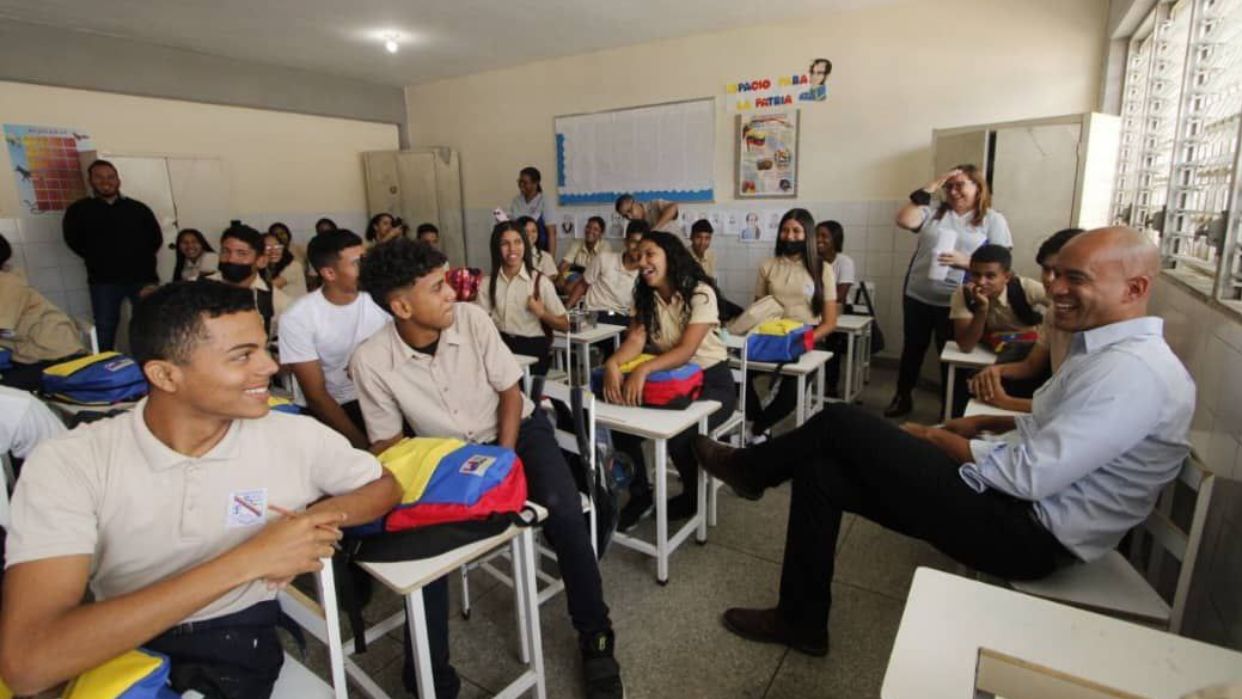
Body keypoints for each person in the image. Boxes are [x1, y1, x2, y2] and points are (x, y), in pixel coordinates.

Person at [691, 226, 1193, 658]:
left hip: (1028, 534)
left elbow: (1027, 476)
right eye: (1056, 274)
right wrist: (981, 425)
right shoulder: (1104, 354)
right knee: (820, 472)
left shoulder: (1133, 373)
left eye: (1075, 278)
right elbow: (1049, 427)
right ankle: (801, 620)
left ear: (1135, 287)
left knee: (842, 422)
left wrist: (934, 437)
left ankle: (751, 470)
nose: (1056, 287)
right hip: (1016, 507)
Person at [0, 280, 402, 697]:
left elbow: (383, 486)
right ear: (165, 375)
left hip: (235, 646)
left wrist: (306, 524)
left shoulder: (293, 436)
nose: (270, 366)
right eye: (242, 355)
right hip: (121, 644)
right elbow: (29, 664)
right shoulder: (72, 462)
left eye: (263, 349)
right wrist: (251, 559)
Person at [348, 238, 624, 699]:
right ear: (401, 306)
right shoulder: (370, 360)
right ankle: (431, 679)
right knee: (423, 551)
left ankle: (595, 635)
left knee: (563, 510)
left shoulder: (472, 320)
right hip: (448, 457)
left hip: (516, 432)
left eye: (446, 281)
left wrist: (505, 459)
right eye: (437, 287)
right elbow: (389, 444)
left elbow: (510, 393)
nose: (451, 293)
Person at [602, 230, 737, 529]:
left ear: (671, 257)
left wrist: (643, 370)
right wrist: (613, 363)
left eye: (650, 254)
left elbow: (687, 350)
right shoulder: (645, 295)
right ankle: (640, 495)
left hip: (712, 382)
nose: (642, 261)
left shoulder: (700, 293)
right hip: (670, 381)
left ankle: (693, 496)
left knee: (679, 436)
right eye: (640, 255)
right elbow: (636, 339)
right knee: (622, 426)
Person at [886, 165, 1012, 418]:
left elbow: (1002, 261)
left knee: (951, 353)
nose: (953, 192)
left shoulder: (992, 219)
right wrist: (931, 186)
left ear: (978, 187)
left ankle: (950, 407)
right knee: (913, 348)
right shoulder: (934, 212)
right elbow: (903, 220)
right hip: (918, 292)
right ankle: (902, 396)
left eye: (960, 185)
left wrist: (968, 262)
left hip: (958, 300)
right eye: (949, 186)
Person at [278, 229, 390, 449]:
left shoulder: (379, 298)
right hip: (337, 405)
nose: (367, 267)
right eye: (358, 263)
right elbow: (316, 396)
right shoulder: (298, 317)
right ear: (329, 273)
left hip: (381, 396)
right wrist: (363, 447)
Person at [745, 208, 839, 440]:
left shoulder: (822, 269)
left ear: (808, 235)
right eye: (785, 230)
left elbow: (830, 322)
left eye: (796, 231)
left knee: (790, 395)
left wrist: (805, 340)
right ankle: (757, 422)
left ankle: (756, 429)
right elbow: (758, 309)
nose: (789, 236)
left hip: (807, 337)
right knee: (736, 375)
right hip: (771, 336)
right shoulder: (767, 266)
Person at [969, 228, 1084, 413]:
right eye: (1047, 269)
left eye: (1067, 274)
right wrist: (996, 371)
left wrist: (1005, 402)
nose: (1050, 280)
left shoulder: (1101, 329)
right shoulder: (1053, 313)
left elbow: (1073, 408)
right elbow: (1031, 365)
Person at [62, 159, 163, 352]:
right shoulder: (79, 210)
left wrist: (140, 261)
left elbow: (155, 239)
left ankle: (147, 363)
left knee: (148, 324)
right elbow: (73, 240)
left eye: (110, 177)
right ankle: (105, 364)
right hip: (104, 280)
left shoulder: (138, 209)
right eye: (99, 177)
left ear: (118, 180)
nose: (105, 181)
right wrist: (100, 258)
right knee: (105, 327)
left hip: (142, 278)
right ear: (90, 181)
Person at [477, 221, 568, 376]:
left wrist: (542, 313)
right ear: (496, 248)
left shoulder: (540, 282)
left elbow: (565, 325)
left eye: (517, 242)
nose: (512, 249)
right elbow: (480, 323)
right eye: (505, 243)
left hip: (533, 347)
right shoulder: (487, 283)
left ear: (525, 245)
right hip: (500, 345)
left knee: (524, 388)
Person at [0, 234, 88, 391]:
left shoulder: (7, 282)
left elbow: (2, 327)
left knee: (5, 392)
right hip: (30, 356)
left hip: (56, 358)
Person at [216, 224, 291, 343]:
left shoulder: (278, 302)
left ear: (262, 261)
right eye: (226, 251)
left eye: (241, 253)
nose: (231, 259)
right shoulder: (196, 289)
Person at [566, 221, 646, 327]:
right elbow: (582, 285)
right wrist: (566, 310)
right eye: (634, 242)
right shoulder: (603, 258)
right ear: (626, 242)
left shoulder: (645, 274)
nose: (638, 247)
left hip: (621, 318)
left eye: (642, 243)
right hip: (594, 313)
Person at [510, 166, 554, 258]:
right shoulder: (516, 201)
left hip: (540, 250)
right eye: (520, 181)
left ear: (535, 183)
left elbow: (551, 233)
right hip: (519, 250)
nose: (521, 185)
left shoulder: (544, 201)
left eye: (525, 182)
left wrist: (551, 259)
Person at [559, 216, 612, 285]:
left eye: (595, 229)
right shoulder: (577, 243)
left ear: (601, 233)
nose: (590, 231)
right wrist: (561, 277)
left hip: (595, 281)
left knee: (571, 284)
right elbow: (564, 264)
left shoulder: (605, 246)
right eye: (588, 227)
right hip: (576, 276)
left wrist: (576, 273)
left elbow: (600, 272)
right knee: (560, 281)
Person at [262, 229, 308, 301]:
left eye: (277, 246)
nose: (273, 251)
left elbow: (269, 288)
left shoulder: (294, 266)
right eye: (267, 247)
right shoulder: (267, 268)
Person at [815, 221, 854, 301]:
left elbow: (840, 296)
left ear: (835, 239)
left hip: (838, 306)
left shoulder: (845, 262)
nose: (818, 239)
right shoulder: (810, 260)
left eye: (824, 236)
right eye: (816, 236)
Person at [517, 216, 559, 281]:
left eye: (534, 231)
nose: (530, 234)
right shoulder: (511, 254)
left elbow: (551, 278)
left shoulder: (545, 256)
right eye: (526, 231)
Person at [615, 194, 680, 234]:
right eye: (625, 216)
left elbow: (673, 207)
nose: (630, 217)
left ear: (635, 202)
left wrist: (656, 228)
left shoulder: (654, 205)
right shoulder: (635, 226)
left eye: (629, 210)